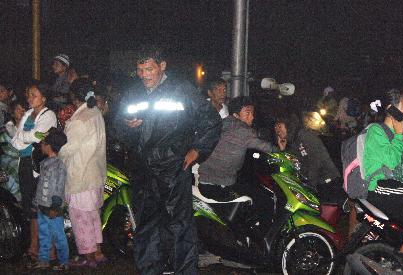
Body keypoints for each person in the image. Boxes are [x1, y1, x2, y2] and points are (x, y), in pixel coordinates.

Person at [115, 46, 221, 275]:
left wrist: (197, 150)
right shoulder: (134, 92)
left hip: (173, 170)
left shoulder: (182, 90)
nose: (144, 74)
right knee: (146, 228)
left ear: (162, 66)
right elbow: (118, 127)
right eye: (140, 69)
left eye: (149, 68)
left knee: (180, 228)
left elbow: (211, 122)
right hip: (143, 172)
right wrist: (127, 125)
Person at [359, 89, 403, 266]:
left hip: (395, 187)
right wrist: (399, 135)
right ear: (392, 109)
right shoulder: (376, 131)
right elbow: (391, 161)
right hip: (377, 187)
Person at [58, 78, 108, 268]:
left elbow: (67, 149)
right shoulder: (95, 113)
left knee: (80, 218)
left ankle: (88, 256)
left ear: (73, 96)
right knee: (93, 215)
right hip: (95, 174)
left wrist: (55, 150)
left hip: (80, 176)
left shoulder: (79, 120)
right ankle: (97, 251)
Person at [11, 81, 58, 260]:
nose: (30, 98)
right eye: (29, 95)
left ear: (43, 98)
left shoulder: (49, 115)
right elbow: (16, 141)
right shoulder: (28, 114)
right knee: (30, 208)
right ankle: (34, 247)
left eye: (34, 95)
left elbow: (36, 137)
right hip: (25, 164)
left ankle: (50, 251)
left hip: (40, 167)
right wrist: (28, 137)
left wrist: (26, 136)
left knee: (44, 208)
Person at [197, 96, 281, 188]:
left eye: (252, 113)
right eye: (248, 113)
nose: (252, 117)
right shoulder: (244, 130)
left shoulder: (222, 122)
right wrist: (281, 150)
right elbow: (267, 147)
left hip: (204, 179)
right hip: (221, 183)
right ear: (236, 115)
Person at [274, 111, 341, 199]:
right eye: (275, 128)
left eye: (279, 126)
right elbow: (292, 164)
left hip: (328, 182)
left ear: (288, 125)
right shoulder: (294, 142)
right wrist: (283, 149)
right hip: (317, 183)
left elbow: (315, 162)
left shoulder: (305, 135)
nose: (277, 130)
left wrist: (310, 186)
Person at [31, 128, 69, 270]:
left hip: (52, 208)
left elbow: (59, 187)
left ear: (48, 146)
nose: (41, 145)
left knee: (58, 236)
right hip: (42, 206)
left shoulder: (59, 165)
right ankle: (43, 260)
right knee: (44, 235)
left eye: (42, 143)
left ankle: (64, 262)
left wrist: (55, 206)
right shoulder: (45, 163)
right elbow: (41, 185)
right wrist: (36, 203)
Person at [0, 100, 26, 201]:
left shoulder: (31, 128)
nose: (21, 111)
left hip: (25, 159)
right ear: (12, 112)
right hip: (9, 159)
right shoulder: (6, 129)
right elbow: (7, 149)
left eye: (23, 109)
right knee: (15, 165)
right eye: (18, 109)